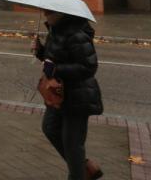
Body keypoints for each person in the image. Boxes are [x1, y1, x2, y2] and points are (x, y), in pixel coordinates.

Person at [32, 9, 104, 180]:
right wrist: (40, 51)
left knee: (72, 145)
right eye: (44, 11)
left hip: (78, 97)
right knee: (49, 128)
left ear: (61, 14)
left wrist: (57, 69)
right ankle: (84, 167)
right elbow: (52, 58)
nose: (45, 15)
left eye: (49, 12)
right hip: (58, 95)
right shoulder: (55, 30)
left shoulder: (76, 35)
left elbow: (89, 67)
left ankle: (78, 173)